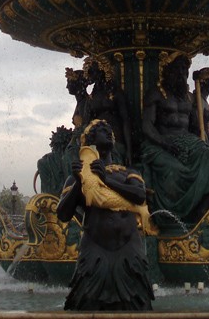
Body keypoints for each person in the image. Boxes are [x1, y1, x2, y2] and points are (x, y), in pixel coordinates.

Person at [141, 52, 209, 224]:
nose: (183, 74)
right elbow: (146, 126)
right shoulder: (156, 94)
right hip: (161, 142)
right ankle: (195, 212)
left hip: (189, 141)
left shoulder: (189, 98)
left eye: (185, 70)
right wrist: (165, 144)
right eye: (179, 69)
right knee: (187, 168)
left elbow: (198, 130)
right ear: (168, 72)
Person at [57, 119, 154, 311]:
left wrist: (106, 180)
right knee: (87, 304)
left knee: (136, 305)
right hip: (95, 249)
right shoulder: (80, 177)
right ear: (90, 139)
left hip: (128, 248)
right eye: (102, 130)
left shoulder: (128, 172)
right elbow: (63, 214)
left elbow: (140, 196)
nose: (108, 132)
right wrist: (78, 183)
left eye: (109, 130)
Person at [84, 56, 132, 165]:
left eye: (94, 71)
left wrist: (129, 149)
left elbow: (126, 120)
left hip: (116, 139)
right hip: (97, 142)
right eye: (90, 72)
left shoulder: (115, 92)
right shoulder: (91, 97)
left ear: (103, 70)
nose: (91, 75)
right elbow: (86, 124)